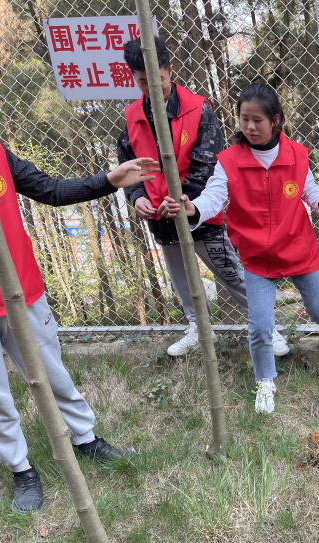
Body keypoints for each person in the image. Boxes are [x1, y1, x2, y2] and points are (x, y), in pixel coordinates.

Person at [159, 83, 319, 414]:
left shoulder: (296, 155)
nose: (249, 127)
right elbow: (213, 196)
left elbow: (309, 190)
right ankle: (265, 382)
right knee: (260, 325)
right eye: (244, 119)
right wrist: (192, 209)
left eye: (257, 120)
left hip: (297, 248)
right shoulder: (229, 161)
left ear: (275, 120)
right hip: (257, 257)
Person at [0, 141, 157, 511]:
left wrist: (109, 179)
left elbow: (49, 189)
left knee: (53, 373)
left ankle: (85, 439)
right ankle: (20, 468)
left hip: (21, 290)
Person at [116, 37, 290, 358]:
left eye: (158, 80)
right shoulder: (131, 117)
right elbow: (128, 167)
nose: (152, 88)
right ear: (134, 77)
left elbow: (208, 166)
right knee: (182, 282)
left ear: (170, 70)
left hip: (200, 217)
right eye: (142, 82)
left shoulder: (199, 109)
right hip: (160, 218)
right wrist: (137, 195)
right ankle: (197, 326)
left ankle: (267, 327)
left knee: (232, 275)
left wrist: (183, 201)